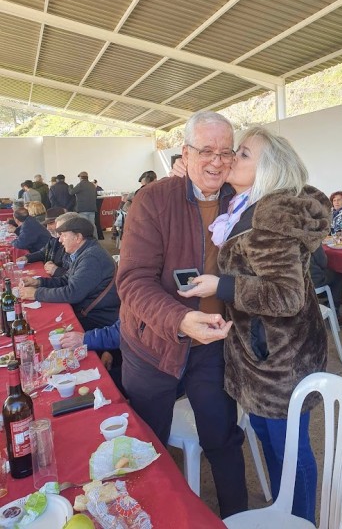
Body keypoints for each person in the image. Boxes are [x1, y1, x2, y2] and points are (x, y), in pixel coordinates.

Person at [176, 126, 331, 523]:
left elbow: (286, 296)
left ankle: (301, 520)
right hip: (263, 354)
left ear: (269, 170)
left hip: (281, 359)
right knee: (270, 441)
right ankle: (283, 510)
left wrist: (221, 286)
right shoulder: (245, 206)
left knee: (289, 450)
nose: (231, 159)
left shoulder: (270, 218)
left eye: (243, 154)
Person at [117, 111, 247, 519]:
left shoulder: (243, 199)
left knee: (222, 438)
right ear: (185, 154)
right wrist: (178, 320)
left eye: (225, 152)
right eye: (206, 151)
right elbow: (132, 280)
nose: (216, 162)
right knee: (147, 447)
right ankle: (148, 518)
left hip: (214, 344)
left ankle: (237, 518)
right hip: (152, 346)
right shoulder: (154, 199)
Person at [19, 216, 120, 331]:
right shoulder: (85, 252)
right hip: (87, 312)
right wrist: (38, 282)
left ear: (78, 237)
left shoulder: (91, 258)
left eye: (64, 235)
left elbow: (72, 293)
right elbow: (66, 280)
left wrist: (36, 294)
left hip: (96, 320)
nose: (60, 240)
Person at [17, 209, 75, 277]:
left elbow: (76, 277)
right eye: (47, 224)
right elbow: (43, 253)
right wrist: (27, 258)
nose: (48, 228)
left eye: (51, 223)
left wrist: (56, 270)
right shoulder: (54, 239)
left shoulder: (72, 245)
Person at [68, 172, 98, 238]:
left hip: (82, 209)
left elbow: (71, 192)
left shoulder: (80, 185)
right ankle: (95, 239)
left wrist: (70, 186)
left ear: (80, 177)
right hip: (92, 209)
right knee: (92, 225)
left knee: (84, 226)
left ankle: (86, 240)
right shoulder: (92, 185)